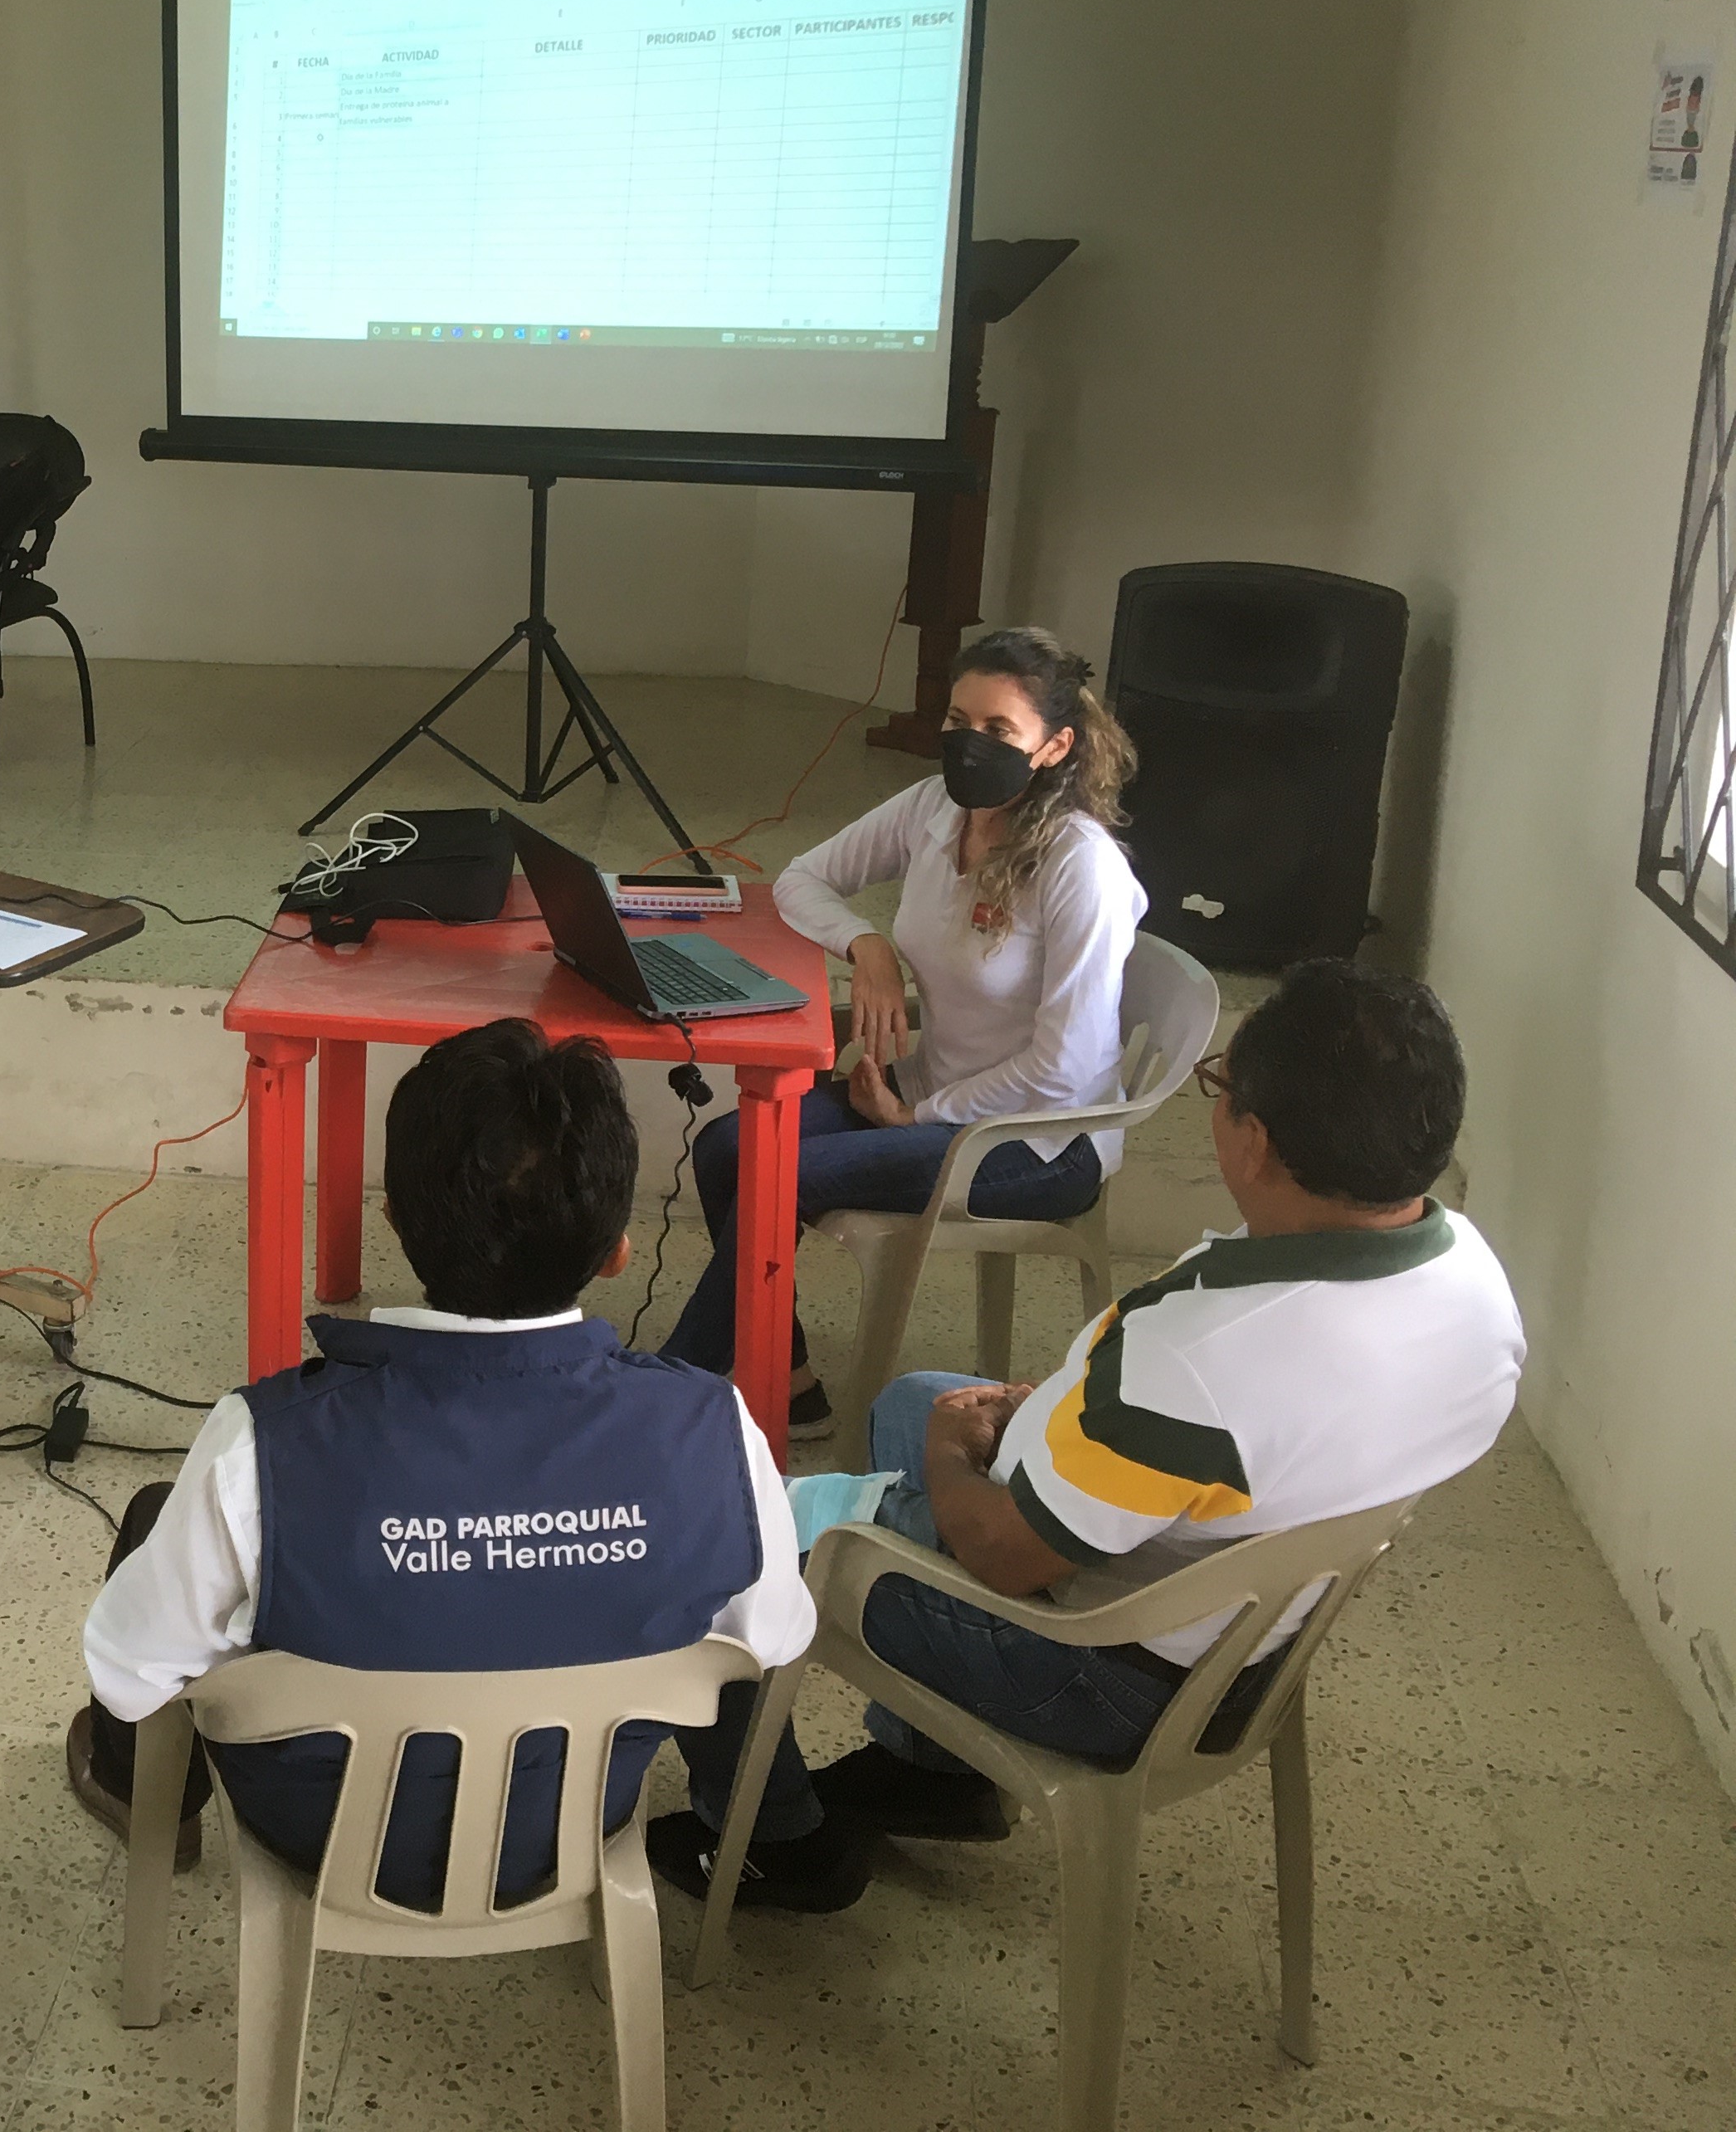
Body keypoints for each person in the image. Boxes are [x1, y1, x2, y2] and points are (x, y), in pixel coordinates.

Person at [650, 958, 1524, 1912]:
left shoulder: (1201, 1357)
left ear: (1257, 1143)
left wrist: (952, 1454)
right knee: (912, 1399)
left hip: (1094, 1666)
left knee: (715, 1545)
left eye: (1220, 1085)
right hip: (1239, 1624)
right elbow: (1226, 1431)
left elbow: (1003, 1553)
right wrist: (1057, 1416)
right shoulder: (1475, 1288)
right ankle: (933, 1775)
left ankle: (779, 1844)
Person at [75, 1018, 812, 1904]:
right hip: (570, 1828)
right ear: (617, 1251)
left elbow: (129, 1676)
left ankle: (142, 1802)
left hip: (321, 1837)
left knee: (161, 1518)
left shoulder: (261, 1443)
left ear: (394, 1221)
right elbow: (772, 1638)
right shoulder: (714, 1428)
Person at [663, 626, 1146, 1439]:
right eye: (959, 721)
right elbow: (802, 879)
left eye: (998, 729)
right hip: (930, 1093)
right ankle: (784, 1377)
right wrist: (868, 945)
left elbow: (1063, 1069)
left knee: (786, 1171)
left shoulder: (1080, 866)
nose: (969, 743)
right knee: (726, 1146)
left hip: (1038, 1140)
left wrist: (915, 1116)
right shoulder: (934, 809)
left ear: (1055, 746)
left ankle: (670, 1384)